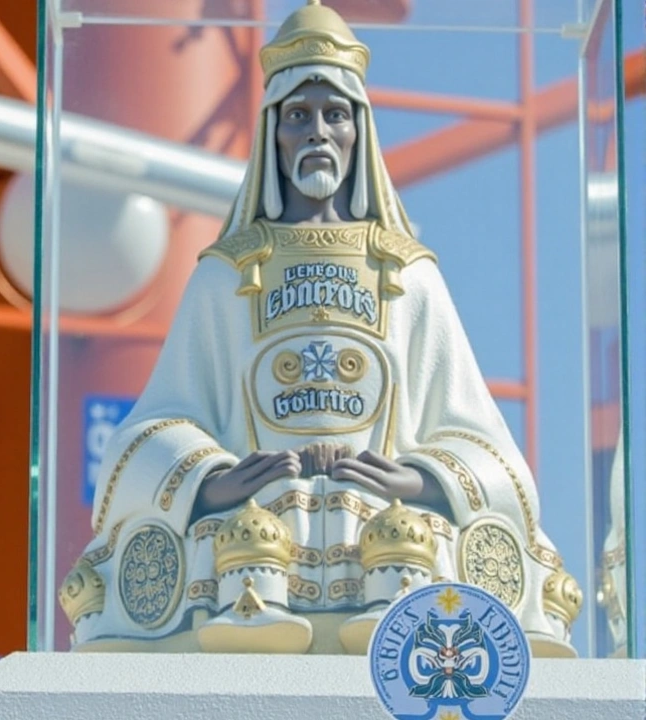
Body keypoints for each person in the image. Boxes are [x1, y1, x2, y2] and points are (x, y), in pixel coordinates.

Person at [59, 0, 582, 658]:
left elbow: (485, 445)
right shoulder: (227, 275)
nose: (317, 132)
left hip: (393, 530)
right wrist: (213, 479)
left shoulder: (407, 275)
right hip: (250, 529)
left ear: (359, 130)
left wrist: (414, 479)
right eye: (299, 115)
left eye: (335, 114)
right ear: (273, 130)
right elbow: (152, 429)